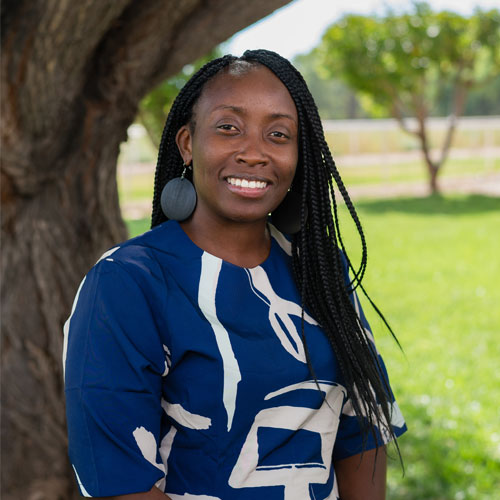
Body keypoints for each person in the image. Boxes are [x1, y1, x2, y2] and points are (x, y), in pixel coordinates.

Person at [63, 49, 406, 500]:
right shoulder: (127, 283)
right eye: (229, 127)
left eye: (278, 134)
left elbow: (363, 429)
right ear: (188, 143)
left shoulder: (320, 270)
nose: (254, 153)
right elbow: (118, 481)